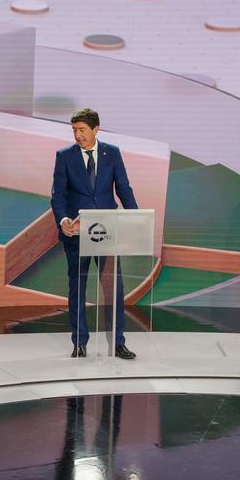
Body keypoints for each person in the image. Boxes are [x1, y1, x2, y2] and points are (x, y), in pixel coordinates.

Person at [50, 109, 138, 360]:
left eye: (82, 130)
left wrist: (135, 217)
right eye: (74, 130)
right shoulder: (64, 156)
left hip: (106, 232)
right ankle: (79, 343)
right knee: (77, 288)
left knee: (113, 288)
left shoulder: (112, 153)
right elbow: (58, 195)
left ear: (96, 129)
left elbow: (124, 188)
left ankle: (118, 342)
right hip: (76, 234)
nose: (78, 135)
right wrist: (63, 219)